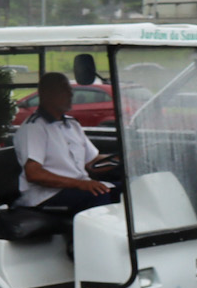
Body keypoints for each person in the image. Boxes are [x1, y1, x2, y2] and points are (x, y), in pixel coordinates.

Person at [14, 71, 119, 214]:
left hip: (76, 188)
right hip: (47, 196)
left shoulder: (72, 125)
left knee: (127, 191)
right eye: (64, 90)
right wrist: (81, 184)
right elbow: (34, 173)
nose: (71, 95)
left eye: (70, 90)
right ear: (46, 94)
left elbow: (92, 162)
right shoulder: (34, 128)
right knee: (101, 196)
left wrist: (121, 159)